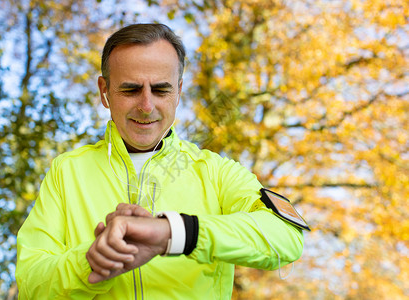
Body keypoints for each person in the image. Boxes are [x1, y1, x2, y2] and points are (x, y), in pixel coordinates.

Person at [15, 23, 304, 299]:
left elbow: (288, 236)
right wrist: (91, 262)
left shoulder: (217, 172)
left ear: (178, 91)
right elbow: (31, 284)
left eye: (161, 90)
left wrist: (173, 233)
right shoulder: (67, 171)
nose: (146, 106)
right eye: (130, 89)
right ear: (104, 91)